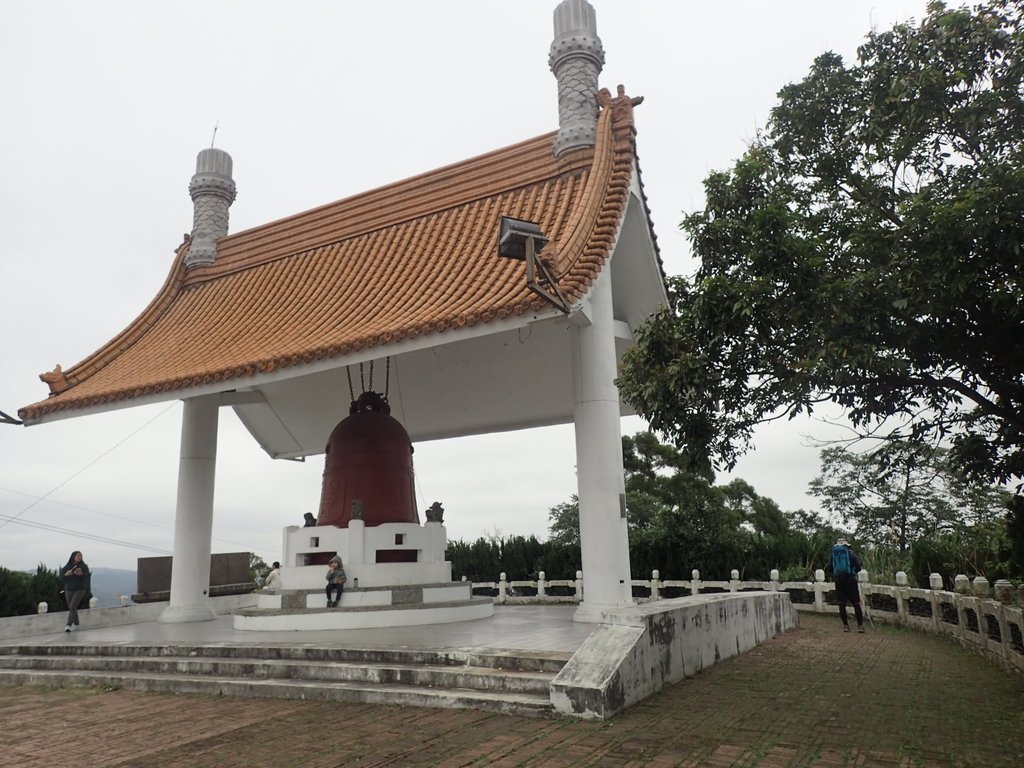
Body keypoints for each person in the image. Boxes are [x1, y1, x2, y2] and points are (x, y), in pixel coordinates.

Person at [830, 538, 865, 633]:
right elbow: (858, 567)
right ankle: (860, 626)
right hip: (850, 580)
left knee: (842, 604)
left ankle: (846, 626)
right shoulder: (851, 554)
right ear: (847, 545)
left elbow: (830, 568)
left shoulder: (834, 555)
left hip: (839, 580)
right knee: (856, 603)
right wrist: (853, 572)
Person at [60, 550, 91, 633]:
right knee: (72, 607)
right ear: (73, 557)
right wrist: (66, 575)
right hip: (68, 589)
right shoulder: (67, 567)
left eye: (81, 556)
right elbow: (61, 578)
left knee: (73, 606)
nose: (80, 557)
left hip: (80, 589)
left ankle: (68, 625)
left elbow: (87, 576)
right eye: (78, 556)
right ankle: (76, 624)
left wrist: (81, 574)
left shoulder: (84, 566)